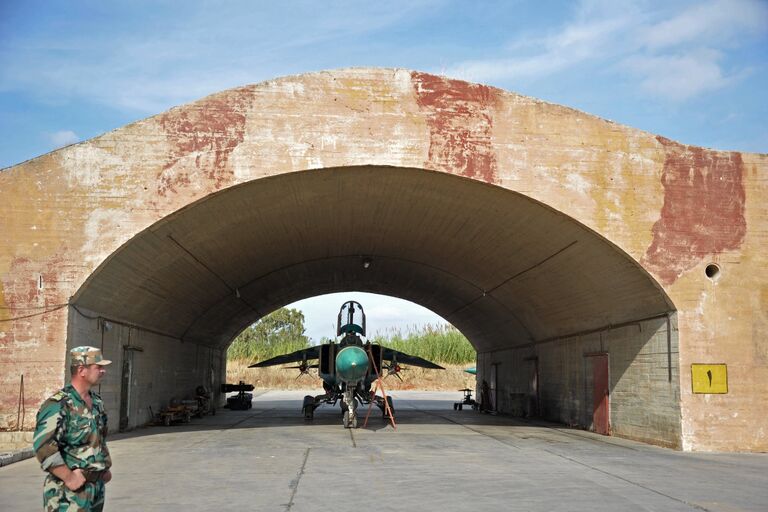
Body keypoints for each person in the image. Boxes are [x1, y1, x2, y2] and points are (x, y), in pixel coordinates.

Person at [33, 346, 113, 511]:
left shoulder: (97, 403)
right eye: (98, 367)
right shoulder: (58, 405)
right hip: (68, 493)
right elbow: (43, 446)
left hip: (95, 489)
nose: (103, 371)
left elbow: (99, 440)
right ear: (81, 370)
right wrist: (68, 477)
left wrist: (103, 468)